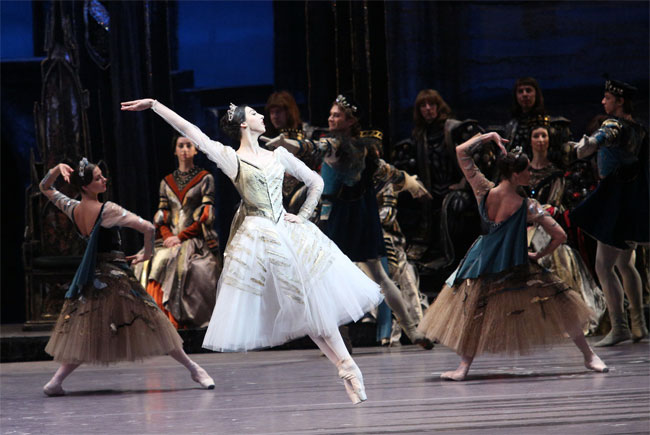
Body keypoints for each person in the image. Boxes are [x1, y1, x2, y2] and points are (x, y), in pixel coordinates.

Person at [121, 98, 383, 405]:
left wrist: (302, 215)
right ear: (244, 123)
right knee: (303, 303)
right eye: (256, 113)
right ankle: (346, 366)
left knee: (309, 302)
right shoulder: (233, 159)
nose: (263, 116)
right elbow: (193, 133)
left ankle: (345, 366)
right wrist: (155, 106)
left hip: (289, 232)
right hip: (260, 237)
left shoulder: (279, 155)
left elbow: (315, 182)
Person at [417, 132, 609, 381]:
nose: (530, 174)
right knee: (562, 305)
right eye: (527, 170)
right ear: (516, 174)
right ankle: (589, 356)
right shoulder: (528, 205)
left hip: (482, 262)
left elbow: (461, 151)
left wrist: (489, 137)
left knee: (475, 312)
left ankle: (463, 367)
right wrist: (539, 254)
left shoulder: (483, 190)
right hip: (515, 263)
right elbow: (559, 235)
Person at [265, 94, 434, 349]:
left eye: (336, 115)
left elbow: (316, 148)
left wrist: (286, 143)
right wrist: (410, 183)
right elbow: (389, 172)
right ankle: (410, 329)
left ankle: (358, 336)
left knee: (334, 278)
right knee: (376, 276)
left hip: (341, 217)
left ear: (350, 120)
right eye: (331, 114)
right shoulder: (363, 148)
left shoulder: (341, 145)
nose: (331, 118)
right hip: (361, 214)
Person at [39, 160, 214, 396]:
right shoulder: (107, 209)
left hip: (93, 279)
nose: (104, 180)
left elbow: (45, 187)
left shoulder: (72, 208)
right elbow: (149, 229)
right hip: (116, 278)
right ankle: (194, 369)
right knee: (156, 323)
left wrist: (56, 169)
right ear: (87, 187)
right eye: (99, 178)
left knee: (89, 331)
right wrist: (147, 254)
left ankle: (56, 381)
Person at [570, 77, 649, 346]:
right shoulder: (639, 129)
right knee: (625, 264)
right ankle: (639, 325)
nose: (603, 102)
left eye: (607, 98)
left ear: (620, 101)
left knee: (603, 265)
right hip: (631, 199)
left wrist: (587, 145)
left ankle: (620, 327)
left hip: (615, 199)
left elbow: (605, 136)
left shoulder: (614, 124)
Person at [526, 118, 606, 333]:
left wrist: (538, 213)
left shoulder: (555, 174)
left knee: (558, 257)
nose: (540, 140)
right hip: (521, 228)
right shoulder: (521, 172)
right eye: (536, 135)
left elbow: (555, 205)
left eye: (544, 135)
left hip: (545, 227)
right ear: (530, 140)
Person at [135, 135, 222, 329]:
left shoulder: (205, 178)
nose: (184, 149)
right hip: (169, 239)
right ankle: (155, 318)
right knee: (148, 261)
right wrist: (167, 237)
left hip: (193, 239)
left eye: (188, 145)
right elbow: (163, 215)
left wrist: (180, 237)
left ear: (195, 150)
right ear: (175, 151)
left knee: (188, 268)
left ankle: (176, 318)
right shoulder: (166, 182)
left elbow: (205, 216)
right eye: (180, 146)